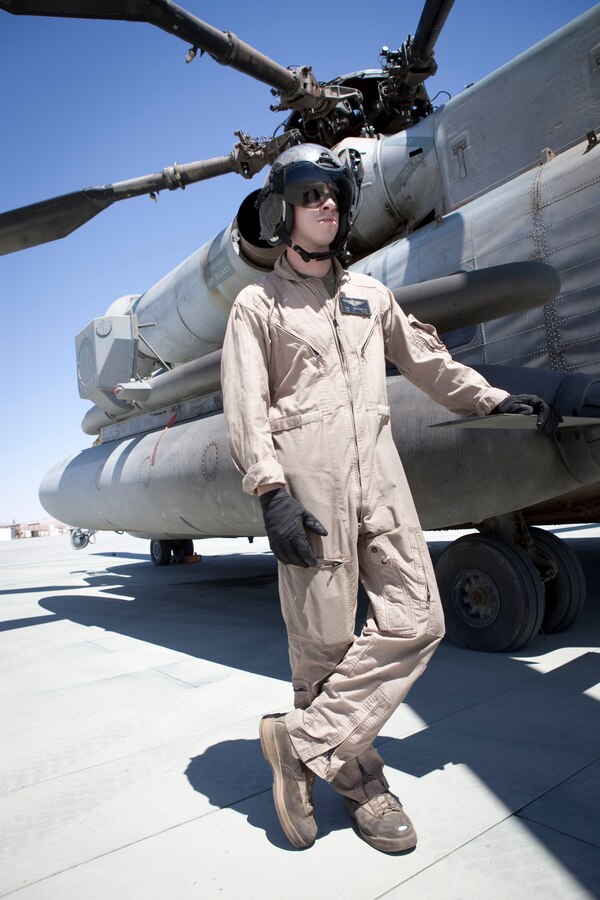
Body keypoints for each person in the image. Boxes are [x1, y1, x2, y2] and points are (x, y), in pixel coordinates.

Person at [221, 143, 558, 852]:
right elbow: (246, 407)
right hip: (309, 483)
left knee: (419, 618)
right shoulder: (257, 305)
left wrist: (491, 398)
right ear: (285, 210)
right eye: (312, 193)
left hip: (380, 475)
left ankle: (301, 743)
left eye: (335, 194)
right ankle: (362, 783)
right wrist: (271, 489)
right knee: (326, 648)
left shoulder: (369, 295)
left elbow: (427, 359)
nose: (328, 204)